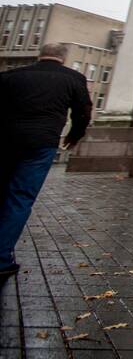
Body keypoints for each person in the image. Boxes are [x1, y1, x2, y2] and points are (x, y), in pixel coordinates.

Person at [0, 43, 92, 278]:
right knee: (20, 197)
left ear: (40, 55)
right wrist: (74, 136)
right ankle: (1, 258)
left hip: (6, 140)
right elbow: (83, 111)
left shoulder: (11, 76)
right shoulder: (73, 78)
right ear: (64, 57)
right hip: (41, 143)